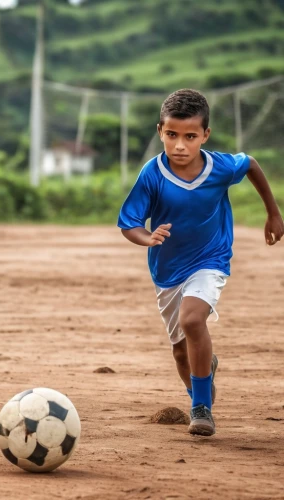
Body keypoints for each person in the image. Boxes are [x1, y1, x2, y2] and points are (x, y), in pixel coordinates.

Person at [118, 88, 283, 436]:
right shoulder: (152, 173)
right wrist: (148, 238)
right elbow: (129, 223)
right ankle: (201, 379)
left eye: (190, 136)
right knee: (181, 354)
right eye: (171, 135)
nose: (180, 145)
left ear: (204, 135)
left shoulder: (220, 167)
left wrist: (273, 213)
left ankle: (201, 408)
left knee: (193, 320)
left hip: (211, 258)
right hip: (167, 271)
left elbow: (250, 163)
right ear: (160, 130)